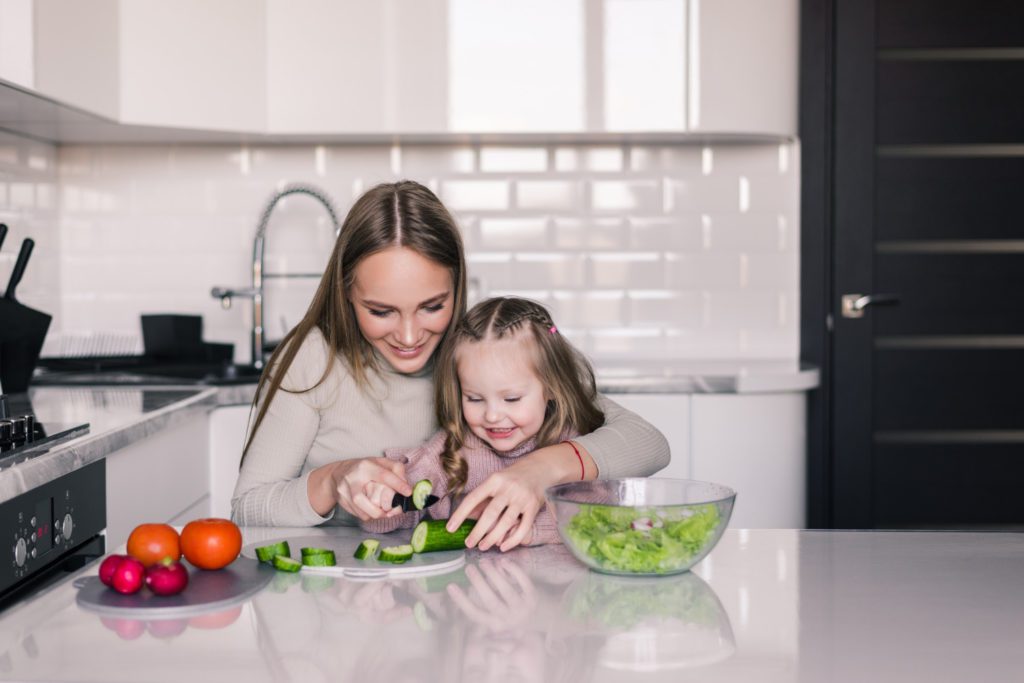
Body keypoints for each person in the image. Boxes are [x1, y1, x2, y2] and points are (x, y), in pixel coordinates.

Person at [231, 180, 669, 551]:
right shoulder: (313, 358)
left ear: (457, 286)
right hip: (350, 603)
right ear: (347, 294)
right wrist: (331, 479)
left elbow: (647, 442)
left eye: (432, 307)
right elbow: (248, 507)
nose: (408, 336)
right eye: (381, 311)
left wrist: (540, 469)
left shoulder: (488, 350)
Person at [360, 297, 602, 548]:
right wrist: (383, 502)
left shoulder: (571, 448)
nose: (492, 416)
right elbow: (389, 517)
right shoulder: (450, 449)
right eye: (474, 399)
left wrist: (532, 530)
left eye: (511, 398)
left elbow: (597, 517)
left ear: (551, 387)